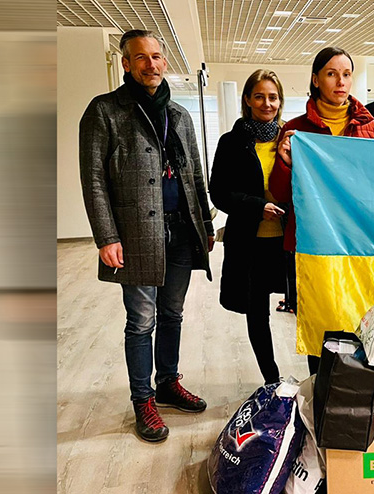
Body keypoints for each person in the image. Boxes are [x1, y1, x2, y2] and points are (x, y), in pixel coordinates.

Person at [79, 30, 214, 443]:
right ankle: (143, 399)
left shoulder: (180, 114)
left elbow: (194, 174)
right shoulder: (105, 111)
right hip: (136, 233)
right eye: (141, 57)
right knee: (141, 320)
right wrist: (106, 236)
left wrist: (206, 226)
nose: (150, 64)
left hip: (181, 229)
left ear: (165, 61)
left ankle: (168, 382)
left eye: (156, 56)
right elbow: (94, 179)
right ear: (126, 63)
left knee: (173, 313)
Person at [268, 46, 374, 375]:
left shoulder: (369, 126)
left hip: (357, 242)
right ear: (316, 80)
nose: (340, 81)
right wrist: (285, 162)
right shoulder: (296, 129)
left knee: (359, 318)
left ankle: (356, 390)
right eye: (332, 74)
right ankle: (320, 390)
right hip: (312, 242)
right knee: (320, 324)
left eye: (346, 74)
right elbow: (281, 193)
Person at [209, 70, 291, 385]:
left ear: (280, 101)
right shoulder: (231, 142)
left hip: (289, 243)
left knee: (304, 306)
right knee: (257, 313)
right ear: (247, 100)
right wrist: (257, 206)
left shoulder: (292, 139)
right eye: (259, 96)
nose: (267, 103)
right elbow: (219, 192)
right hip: (250, 243)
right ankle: (272, 380)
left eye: (272, 97)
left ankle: (315, 379)